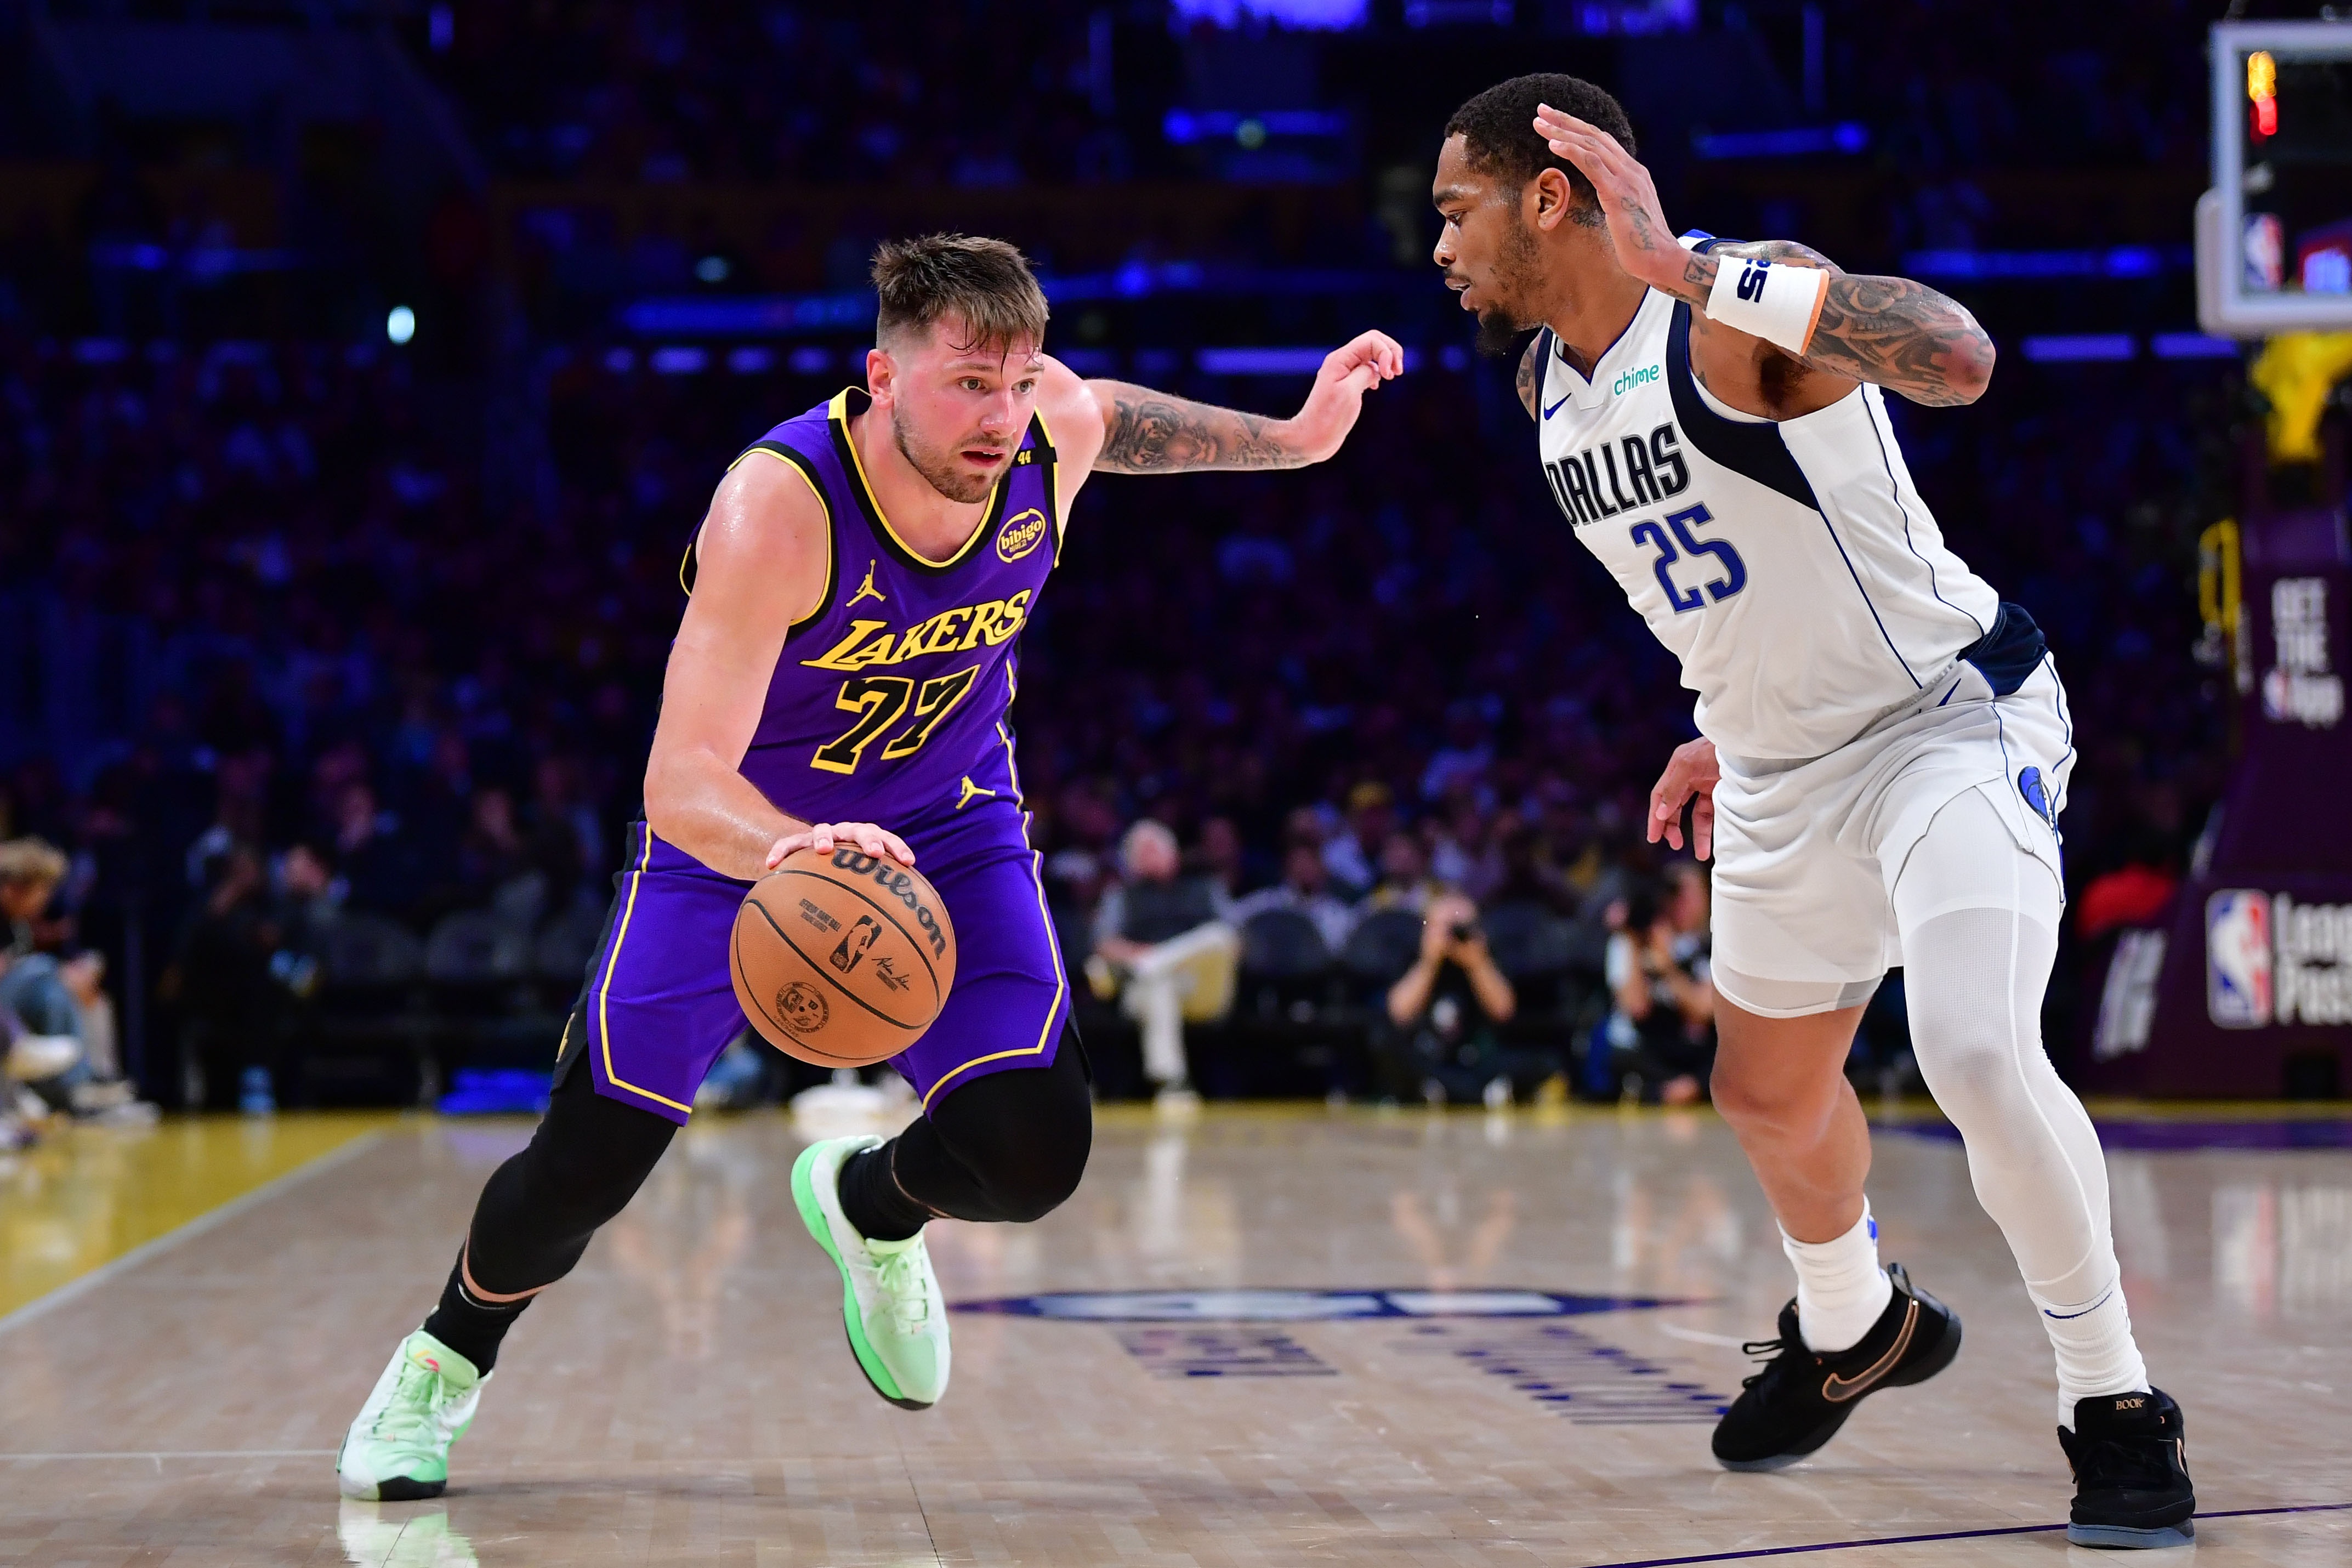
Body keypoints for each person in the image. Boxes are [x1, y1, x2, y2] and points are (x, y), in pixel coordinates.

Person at [336, 233, 1402, 1501]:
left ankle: (872, 1207)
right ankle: (447, 1354)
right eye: (967, 384)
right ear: (882, 378)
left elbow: (1111, 414)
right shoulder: (777, 506)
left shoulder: (1043, 431)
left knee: (1031, 1148)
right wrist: (786, 850)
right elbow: (678, 777)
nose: (998, 416)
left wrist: (1300, 437)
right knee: (586, 1162)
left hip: (946, 820)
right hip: (739, 838)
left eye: (1015, 383)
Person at [1431, 75, 2192, 1546]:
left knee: (1973, 1048)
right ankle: (1854, 1324)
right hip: (1776, 765)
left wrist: (1680, 265)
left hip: (1940, 723)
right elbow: (1720, 562)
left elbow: (1957, 359)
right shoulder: (1542, 386)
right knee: (1765, 1097)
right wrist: (1721, 720)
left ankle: (2110, 1395)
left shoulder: (1729, 307)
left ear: (1549, 193)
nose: (1440, 245)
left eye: (1457, 208)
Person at [1089, 819, 1237, 1106]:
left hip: (1199, 987)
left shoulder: (1206, 887)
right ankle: (1172, 1084)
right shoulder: (1122, 897)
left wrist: (1160, 958)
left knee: (1219, 936)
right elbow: (1104, 946)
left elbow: (1234, 941)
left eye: (1155, 849)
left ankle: (1157, 962)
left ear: (1174, 852)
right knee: (1159, 986)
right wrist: (1136, 955)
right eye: (1142, 851)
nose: (1150, 857)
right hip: (1143, 989)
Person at [1379, 891, 1524, 1106]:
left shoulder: (1486, 955)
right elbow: (1399, 1014)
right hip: (1429, 1056)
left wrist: (1478, 964)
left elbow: (1504, 1012)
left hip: (1475, 1057)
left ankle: (1442, 1091)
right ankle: (1466, 1092)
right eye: (1445, 927)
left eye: (1461, 927)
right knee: (1384, 1047)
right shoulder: (1414, 954)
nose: (1453, 936)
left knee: (1531, 1059)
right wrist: (1429, 963)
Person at [1599, 862, 1714, 1105]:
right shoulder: (1628, 942)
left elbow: (1705, 1010)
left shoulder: (1707, 945)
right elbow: (1636, 1008)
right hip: (1647, 1049)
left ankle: (1689, 1086)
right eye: (1675, 895)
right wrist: (1634, 941)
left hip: (1691, 1049)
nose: (1681, 903)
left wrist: (1668, 971)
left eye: (1690, 895)